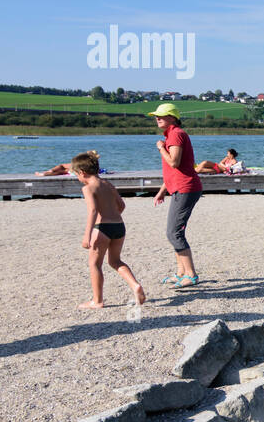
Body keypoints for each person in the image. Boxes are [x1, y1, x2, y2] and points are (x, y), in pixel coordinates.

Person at [71, 153, 145, 310]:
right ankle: (135, 285)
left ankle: (97, 301)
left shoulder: (88, 188)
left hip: (102, 228)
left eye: (76, 174)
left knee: (94, 264)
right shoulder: (108, 184)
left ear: (82, 172)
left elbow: (92, 210)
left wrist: (87, 236)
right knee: (115, 261)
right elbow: (122, 205)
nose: (77, 177)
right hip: (119, 226)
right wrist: (113, 215)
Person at [148, 103, 203, 287]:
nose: (157, 118)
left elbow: (174, 162)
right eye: (156, 116)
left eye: (161, 116)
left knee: (174, 232)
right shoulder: (171, 135)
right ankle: (181, 273)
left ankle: (191, 275)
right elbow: (174, 171)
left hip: (186, 188)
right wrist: (161, 191)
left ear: (172, 117)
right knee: (174, 232)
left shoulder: (176, 134)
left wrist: (160, 148)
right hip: (179, 188)